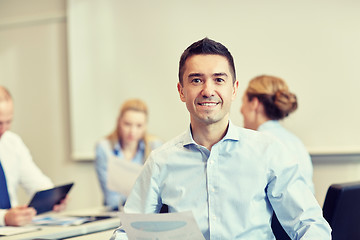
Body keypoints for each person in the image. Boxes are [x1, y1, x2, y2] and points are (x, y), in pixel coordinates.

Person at [117, 38, 331, 239]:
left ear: (234, 89)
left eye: (219, 80)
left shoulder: (268, 151)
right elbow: (128, 232)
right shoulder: (161, 160)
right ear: (182, 91)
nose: (208, 90)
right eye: (196, 80)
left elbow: (310, 225)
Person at [0, 86, 67, 226]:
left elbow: (37, 183)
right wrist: (4, 218)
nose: (3, 129)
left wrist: (54, 199)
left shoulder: (12, 142)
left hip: (13, 233)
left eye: (8, 122)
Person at [240, 75, 314, 193]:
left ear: (254, 103)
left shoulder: (255, 145)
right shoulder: (296, 142)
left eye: (243, 102)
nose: (241, 110)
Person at [95, 99, 162, 210]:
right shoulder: (104, 148)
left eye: (139, 126)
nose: (132, 131)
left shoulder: (155, 146)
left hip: (147, 212)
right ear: (119, 122)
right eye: (127, 124)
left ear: (145, 126)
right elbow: (112, 199)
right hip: (116, 213)